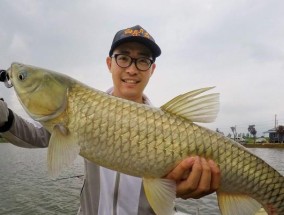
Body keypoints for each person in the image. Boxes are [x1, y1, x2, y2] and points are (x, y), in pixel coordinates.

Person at [0, 25, 221, 214]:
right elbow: (33, 135)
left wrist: (182, 187)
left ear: (152, 69)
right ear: (109, 63)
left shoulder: (170, 125)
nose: (132, 69)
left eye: (142, 61)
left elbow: (170, 190)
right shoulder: (79, 111)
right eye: (123, 58)